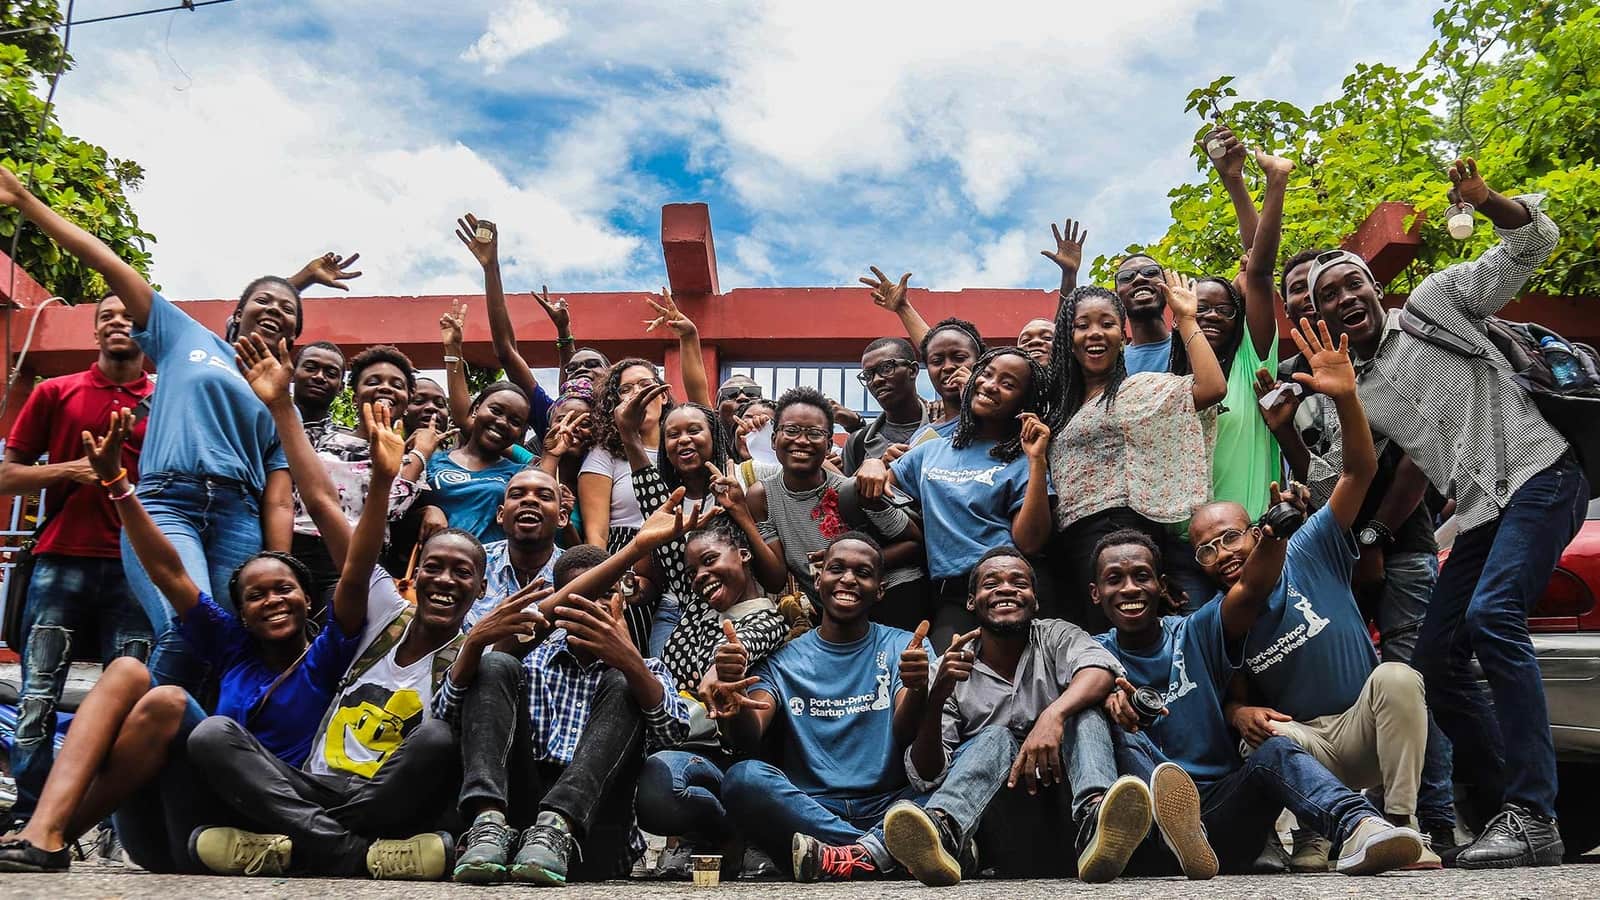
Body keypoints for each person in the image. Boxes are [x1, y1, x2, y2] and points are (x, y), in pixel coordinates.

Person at [1304, 158, 1580, 868]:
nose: (1344, 297)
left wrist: (1486, 200)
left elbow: (1534, 243)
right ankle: (1507, 810)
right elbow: (1339, 478)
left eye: (1352, 283)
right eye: (1328, 295)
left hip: (1541, 469)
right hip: (1485, 510)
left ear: (1377, 290)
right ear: (1322, 317)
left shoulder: (1435, 304)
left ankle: (1533, 813)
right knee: (1434, 659)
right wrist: (1321, 409)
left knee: (1493, 616)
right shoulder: (1354, 385)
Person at [0, 397, 392, 873]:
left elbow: (356, 571)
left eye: (283, 589)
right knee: (126, 671)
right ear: (241, 614)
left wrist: (382, 482)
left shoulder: (329, 654)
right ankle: (46, 833)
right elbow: (168, 571)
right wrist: (118, 485)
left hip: (257, 827)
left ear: (308, 601)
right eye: (256, 596)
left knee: (170, 702)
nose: (272, 600)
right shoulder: (231, 648)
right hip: (172, 825)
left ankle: (51, 840)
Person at [0, 162, 299, 708]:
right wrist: (26, 202)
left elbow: (279, 493)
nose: (275, 309)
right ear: (236, 315)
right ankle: (123, 746)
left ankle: (173, 751)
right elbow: (111, 265)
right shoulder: (187, 336)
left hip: (239, 516)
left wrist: (280, 565)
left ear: (294, 334)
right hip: (169, 503)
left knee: (227, 645)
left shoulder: (280, 398)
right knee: (189, 628)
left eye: (288, 309)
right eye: (264, 300)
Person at [1190, 320, 1438, 870]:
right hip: (1305, 745)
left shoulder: (1309, 546)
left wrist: (1347, 397)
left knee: (1399, 677)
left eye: (1230, 537)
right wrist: (1239, 711)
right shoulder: (1221, 616)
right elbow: (1221, 696)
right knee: (1262, 737)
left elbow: (1358, 471)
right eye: (1206, 550)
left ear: (1258, 530)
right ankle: (1314, 835)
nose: (1222, 553)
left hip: (1364, 729)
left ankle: (1403, 825)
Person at [1092, 523, 1425, 877]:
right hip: (1144, 824)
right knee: (1104, 722)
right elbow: (1071, 685)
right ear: (1096, 593)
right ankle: (1174, 827)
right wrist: (1106, 694)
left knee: (1273, 747)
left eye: (1141, 576)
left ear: (1161, 585)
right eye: (1115, 579)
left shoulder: (1195, 631)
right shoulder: (1091, 654)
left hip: (1223, 811)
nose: (1129, 588)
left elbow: (1251, 588)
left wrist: (1273, 534)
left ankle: (1360, 826)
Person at [183, 520, 482, 879]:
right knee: (212, 734)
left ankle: (293, 848)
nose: (445, 580)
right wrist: (381, 487)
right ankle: (357, 855)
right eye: (433, 567)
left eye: (461, 572)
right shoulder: (383, 619)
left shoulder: (477, 650)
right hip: (314, 787)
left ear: (482, 588)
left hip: (388, 798)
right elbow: (327, 513)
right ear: (415, 576)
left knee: (436, 738)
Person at [447, 495, 712, 884]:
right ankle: (486, 823)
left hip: (591, 832)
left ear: (621, 599)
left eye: (605, 595)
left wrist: (630, 661)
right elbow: (449, 710)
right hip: (516, 821)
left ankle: (557, 826)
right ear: (558, 607)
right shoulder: (529, 659)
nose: (593, 606)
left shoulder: (647, 668)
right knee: (495, 663)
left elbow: (673, 736)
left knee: (624, 681)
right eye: (581, 596)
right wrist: (477, 645)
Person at [891, 547, 1155, 885]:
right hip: (1001, 823)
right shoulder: (949, 667)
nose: (1005, 589)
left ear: (1035, 601)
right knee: (995, 737)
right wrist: (935, 696)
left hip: (1068, 814)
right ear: (971, 602)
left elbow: (1100, 670)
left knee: (1085, 711)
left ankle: (1097, 819)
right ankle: (944, 833)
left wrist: (1053, 715)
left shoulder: (1057, 635)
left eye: (1018, 583)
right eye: (991, 584)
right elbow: (927, 774)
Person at [0, 293, 155, 820]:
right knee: (37, 695)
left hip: (137, 567)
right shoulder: (55, 391)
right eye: (106, 316)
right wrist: (73, 470)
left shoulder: (166, 400)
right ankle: (30, 815)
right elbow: (8, 474)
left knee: (130, 701)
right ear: (94, 331)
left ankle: (115, 820)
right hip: (60, 561)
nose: (118, 323)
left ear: (147, 330)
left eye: (128, 316)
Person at [713, 533, 937, 882]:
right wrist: (733, 689)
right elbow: (748, 735)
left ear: (880, 590)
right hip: (809, 809)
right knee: (743, 778)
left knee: (964, 765)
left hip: (891, 806)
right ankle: (879, 853)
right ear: (818, 580)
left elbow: (906, 732)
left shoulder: (906, 647)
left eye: (863, 573)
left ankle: (847, 857)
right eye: (837, 569)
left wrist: (919, 688)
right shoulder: (783, 660)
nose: (848, 579)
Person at [1045, 276, 1227, 629]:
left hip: (1120, 534)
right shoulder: (1060, 406)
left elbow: (1212, 387)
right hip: (1070, 543)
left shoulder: (1136, 390)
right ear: (1068, 337)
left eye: (1107, 324)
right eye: (1082, 325)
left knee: (1124, 642)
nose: (1095, 333)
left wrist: (1186, 319)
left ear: (1122, 338)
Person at [857, 348, 1054, 647]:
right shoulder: (930, 450)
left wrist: (1037, 460)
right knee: (943, 668)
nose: (990, 385)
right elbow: (875, 486)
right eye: (987, 374)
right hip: (955, 592)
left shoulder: (1023, 459)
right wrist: (873, 463)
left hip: (1012, 583)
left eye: (1008, 384)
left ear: (1022, 403)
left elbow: (1029, 543)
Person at [633, 523, 790, 872]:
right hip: (684, 748)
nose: (700, 576)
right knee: (655, 790)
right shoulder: (698, 607)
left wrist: (717, 671)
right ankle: (710, 834)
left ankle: (741, 834)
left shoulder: (768, 618)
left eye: (709, 560)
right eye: (692, 572)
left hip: (733, 759)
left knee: (665, 789)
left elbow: (745, 643)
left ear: (744, 555)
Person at [743, 388, 924, 630]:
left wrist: (845, 562)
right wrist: (740, 514)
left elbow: (914, 542)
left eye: (814, 433)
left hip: (892, 602)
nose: (802, 440)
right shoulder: (761, 497)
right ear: (774, 439)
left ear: (829, 445)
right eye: (792, 430)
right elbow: (775, 581)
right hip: (835, 619)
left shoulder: (852, 491)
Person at [288, 344, 437, 610]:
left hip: (361, 561)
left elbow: (390, 508)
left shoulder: (411, 462)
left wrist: (420, 454)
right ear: (354, 395)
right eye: (373, 381)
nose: (386, 388)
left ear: (406, 401)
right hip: (300, 547)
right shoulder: (318, 437)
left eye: (397, 385)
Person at [1190, 132, 1290, 520]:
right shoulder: (1174, 379)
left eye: (1224, 309)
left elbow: (1258, 268)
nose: (1213, 316)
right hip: (1188, 541)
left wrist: (1239, 180)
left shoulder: (1252, 365)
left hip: (1254, 531)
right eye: (1201, 309)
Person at [456, 215, 564, 446]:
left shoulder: (620, 428)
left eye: (593, 365)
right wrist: (491, 268)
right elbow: (506, 351)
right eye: (576, 368)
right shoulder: (551, 419)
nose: (583, 371)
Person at [420, 381, 532, 544]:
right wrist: (425, 512)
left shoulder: (521, 474)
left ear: (520, 432)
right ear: (475, 409)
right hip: (433, 558)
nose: (502, 422)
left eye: (515, 422)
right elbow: (395, 512)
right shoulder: (430, 461)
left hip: (490, 560)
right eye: (496, 410)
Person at [840, 337, 928, 477]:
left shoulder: (946, 428)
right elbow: (844, 491)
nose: (876, 380)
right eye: (868, 375)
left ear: (912, 370)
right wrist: (879, 466)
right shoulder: (857, 442)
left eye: (886, 368)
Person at [1113, 255, 1172, 375]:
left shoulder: (1195, 347)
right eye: (1126, 277)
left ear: (1167, 285)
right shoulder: (1112, 364)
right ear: (1117, 296)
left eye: (1151, 271)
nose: (1139, 278)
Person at [290, 341, 345, 446]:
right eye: (310, 368)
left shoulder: (348, 444)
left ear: (341, 388)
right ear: (292, 374)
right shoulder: (267, 427)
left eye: (331, 374)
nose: (319, 376)